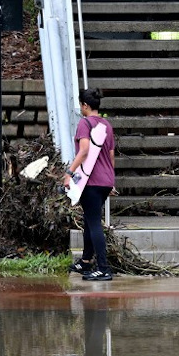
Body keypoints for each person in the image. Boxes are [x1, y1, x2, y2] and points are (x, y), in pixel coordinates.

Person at [62, 87, 115, 281]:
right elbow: (110, 156)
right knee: (89, 220)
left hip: (91, 181)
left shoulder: (85, 124)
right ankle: (85, 262)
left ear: (85, 105)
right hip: (105, 180)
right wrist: (112, 181)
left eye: (80, 105)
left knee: (93, 223)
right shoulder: (107, 125)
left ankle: (103, 268)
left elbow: (83, 151)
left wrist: (69, 172)